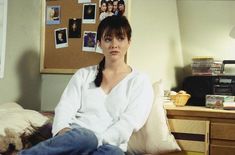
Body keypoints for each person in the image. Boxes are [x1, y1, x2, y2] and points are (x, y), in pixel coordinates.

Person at [17, 15, 154, 155]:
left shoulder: (140, 81)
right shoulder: (83, 74)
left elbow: (128, 123)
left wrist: (98, 142)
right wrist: (62, 131)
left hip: (109, 146)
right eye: (108, 39)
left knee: (114, 153)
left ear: (129, 42)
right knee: (87, 138)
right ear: (99, 43)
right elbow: (65, 107)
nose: (114, 44)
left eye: (120, 38)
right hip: (79, 140)